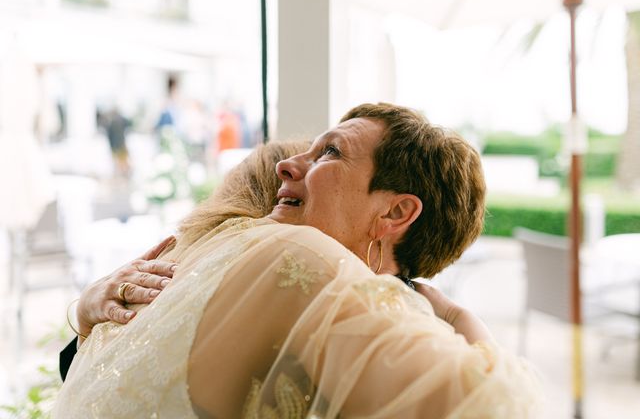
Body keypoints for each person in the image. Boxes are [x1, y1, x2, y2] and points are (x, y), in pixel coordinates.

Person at [54, 103, 540, 418]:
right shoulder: (277, 255)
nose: (288, 166)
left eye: (330, 151)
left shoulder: (305, 270)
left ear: (395, 211)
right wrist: (85, 316)